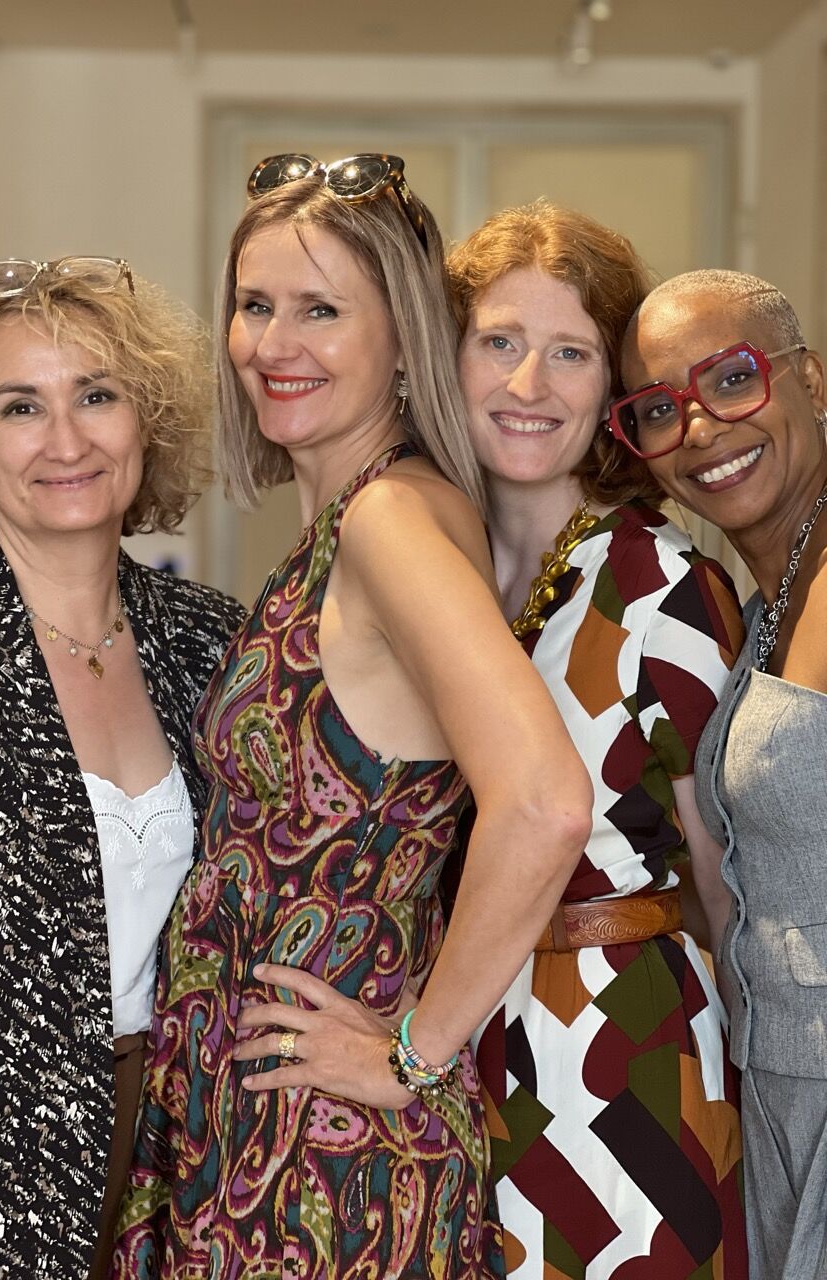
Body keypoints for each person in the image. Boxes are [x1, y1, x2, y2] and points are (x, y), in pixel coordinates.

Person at [111, 155, 592, 1279]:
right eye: (255, 304)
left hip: (324, 1157)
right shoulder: (358, 517)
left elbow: (545, 801)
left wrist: (414, 1053)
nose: (274, 343)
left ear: (404, 337)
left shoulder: (390, 524)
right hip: (263, 1121)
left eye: (321, 310)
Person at [0, 257, 245, 1280]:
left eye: (97, 395)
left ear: (146, 421)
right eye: (21, 406)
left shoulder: (212, 641)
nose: (67, 440)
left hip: (186, 1156)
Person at [446, 203, 749, 1278]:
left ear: (613, 388)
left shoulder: (664, 587)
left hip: (626, 1061)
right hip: (457, 1049)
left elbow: (729, 890)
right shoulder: (437, 574)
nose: (528, 384)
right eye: (499, 341)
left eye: (570, 352)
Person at [618, 268, 827, 1280]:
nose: (700, 428)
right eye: (660, 408)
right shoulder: (760, 599)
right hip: (777, 1098)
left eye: (732, 378)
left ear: (811, 380)